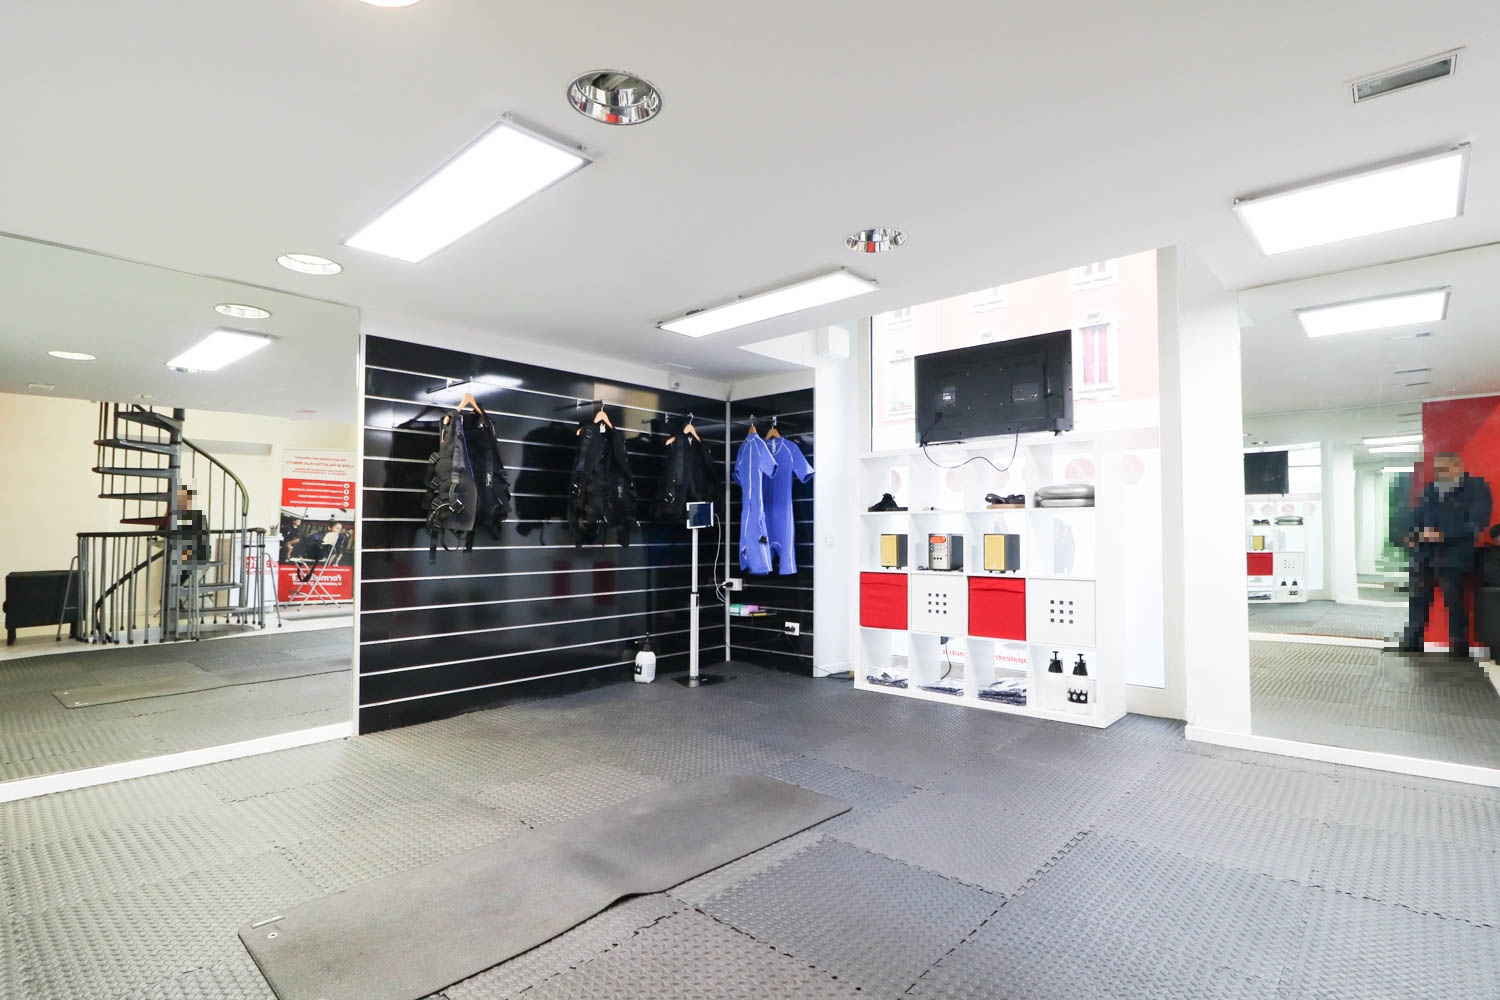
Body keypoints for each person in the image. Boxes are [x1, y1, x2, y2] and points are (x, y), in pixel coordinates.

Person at [1401, 452, 1493, 659]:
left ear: (1457, 467)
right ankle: (1411, 645)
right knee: (1417, 604)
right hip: (1423, 557)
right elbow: (1416, 517)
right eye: (1436, 470)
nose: (1439, 474)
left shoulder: (1476, 489)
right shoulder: (1430, 490)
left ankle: (1459, 651)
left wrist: (1442, 535)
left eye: (1443, 469)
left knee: (1455, 606)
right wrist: (1412, 535)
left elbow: (1477, 525)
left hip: (1454, 559)